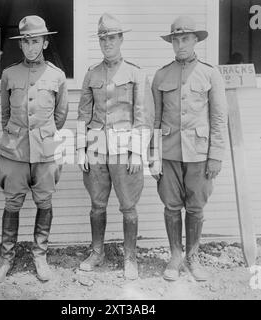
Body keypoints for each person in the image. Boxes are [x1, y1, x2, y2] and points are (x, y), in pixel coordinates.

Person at [0, 15, 68, 284]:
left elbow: (60, 117)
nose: (31, 47)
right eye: (26, 42)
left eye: (36, 41)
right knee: (12, 203)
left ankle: (40, 255)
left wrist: (43, 137)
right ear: (20, 45)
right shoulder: (9, 74)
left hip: (46, 153)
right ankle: (6, 258)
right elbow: (5, 116)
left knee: (44, 202)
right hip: (15, 152)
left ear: (45, 43)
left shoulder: (57, 76)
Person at [150, 16, 228, 281]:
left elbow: (218, 119)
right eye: (176, 39)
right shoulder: (161, 75)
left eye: (185, 38)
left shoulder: (210, 73)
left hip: (199, 153)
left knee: (195, 207)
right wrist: (153, 156)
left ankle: (192, 259)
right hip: (169, 153)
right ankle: (175, 257)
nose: (180, 44)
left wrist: (215, 155)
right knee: (171, 206)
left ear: (196, 40)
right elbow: (156, 120)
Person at [77, 13, 154, 280]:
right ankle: (97, 253)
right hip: (96, 146)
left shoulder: (135, 73)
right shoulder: (91, 74)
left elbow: (143, 116)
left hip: (125, 149)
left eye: (111, 38)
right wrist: (80, 148)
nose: (107, 43)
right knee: (97, 205)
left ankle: (129, 258)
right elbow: (83, 115)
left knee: (128, 206)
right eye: (102, 39)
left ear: (121, 39)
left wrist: (137, 152)